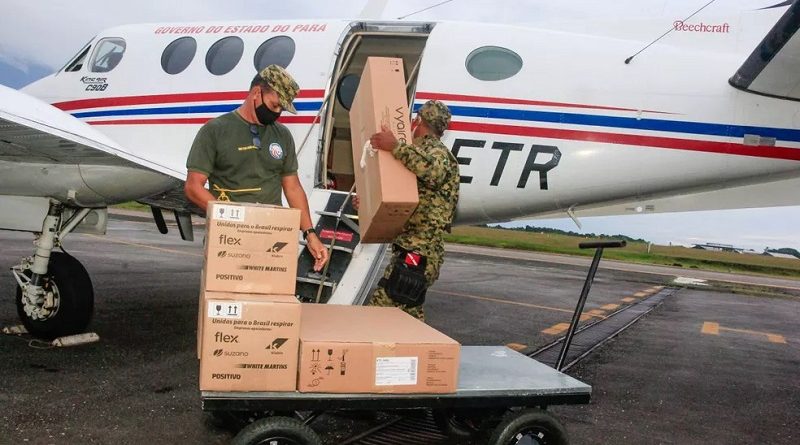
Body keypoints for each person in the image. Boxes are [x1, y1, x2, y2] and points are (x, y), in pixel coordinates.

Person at [184, 65, 329, 271]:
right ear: (255, 93)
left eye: (282, 109)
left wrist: (310, 234)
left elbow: (293, 188)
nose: (277, 112)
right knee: (228, 299)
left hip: (271, 240)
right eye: (274, 105)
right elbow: (193, 187)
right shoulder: (215, 130)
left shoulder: (282, 136)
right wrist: (229, 218)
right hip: (229, 239)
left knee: (269, 300)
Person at [361, 100, 460, 321]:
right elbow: (403, 196)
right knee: (407, 314)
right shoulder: (419, 153)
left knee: (381, 310)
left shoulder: (436, 152)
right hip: (413, 249)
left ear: (418, 121)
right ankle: (418, 353)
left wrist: (395, 146)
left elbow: (434, 173)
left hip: (419, 252)